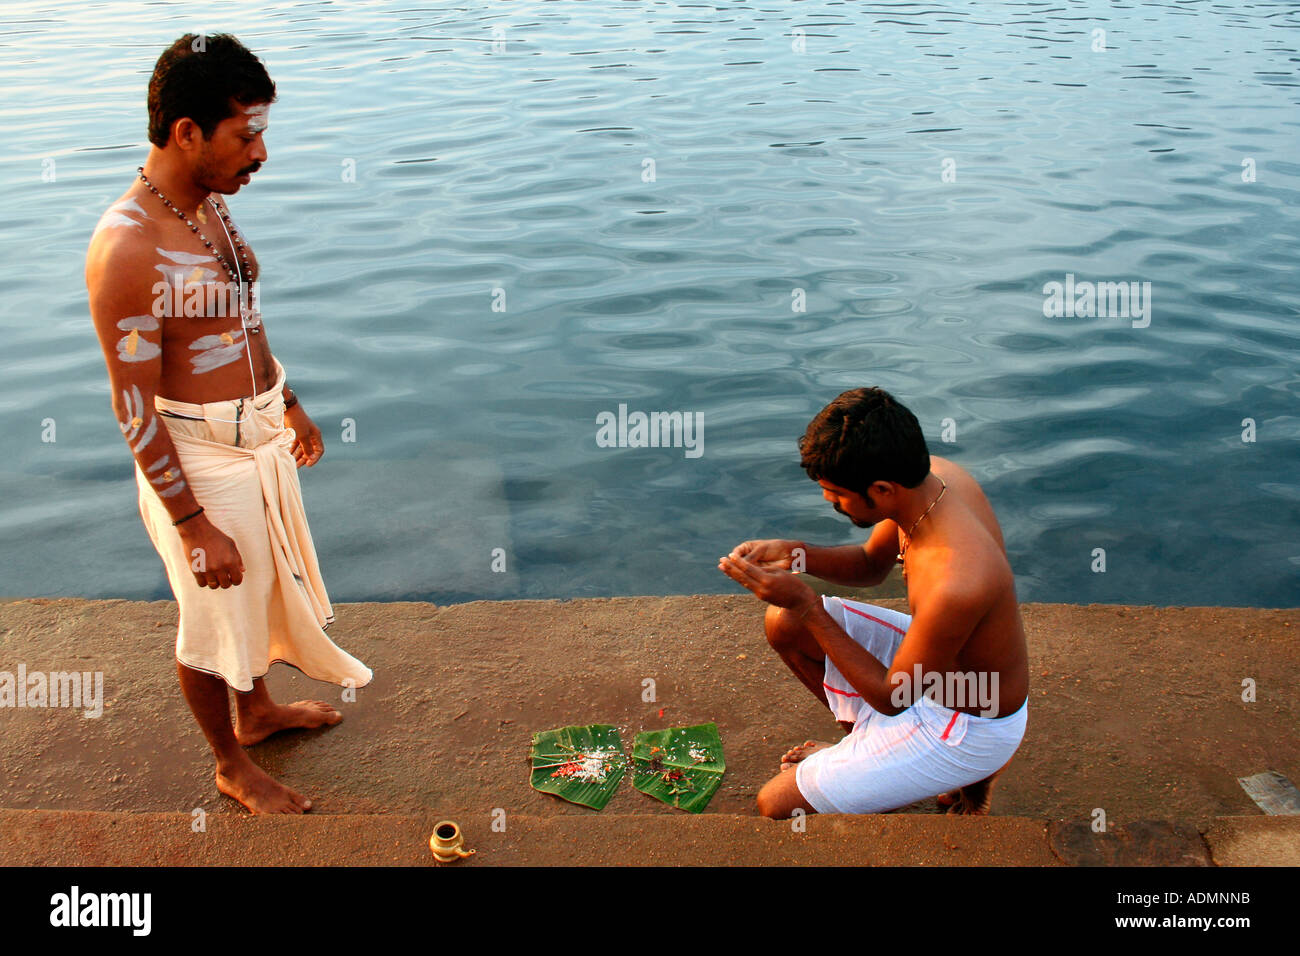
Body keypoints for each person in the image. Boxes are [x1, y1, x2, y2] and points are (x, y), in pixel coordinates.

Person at [85, 34, 372, 814]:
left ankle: (257, 715)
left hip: (254, 432)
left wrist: (288, 400)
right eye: (246, 135)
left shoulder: (206, 207)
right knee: (213, 618)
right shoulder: (129, 248)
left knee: (259, 594)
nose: (261, 153)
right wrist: (191, 522)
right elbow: (133, 404)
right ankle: (228, 765)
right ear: (187, 132)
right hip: (197, 456)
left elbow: (243, 316)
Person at [718, 387, 1029, 817]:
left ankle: (965, 777)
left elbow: (892, 697)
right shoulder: (930, 482)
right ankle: (868, 752)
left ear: (882, 489)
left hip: (972, 722)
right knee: (784, 622)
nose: (830, 501)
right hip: (935, 671)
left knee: (776, 804)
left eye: (837, 493)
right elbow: (869, 564)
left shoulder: (956, 578)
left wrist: (809, 603)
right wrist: (795, 553)